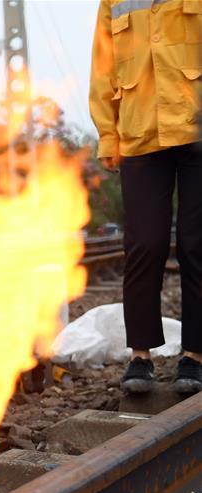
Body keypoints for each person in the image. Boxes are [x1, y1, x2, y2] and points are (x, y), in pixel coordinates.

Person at [89, 0, 202, 393]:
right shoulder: (114, 2)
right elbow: (102, 68)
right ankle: (140, 356)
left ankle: (195, 356)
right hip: (140, 131)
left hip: (196, 127)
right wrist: (108, 133)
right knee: (144, 244)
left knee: (196, 242)